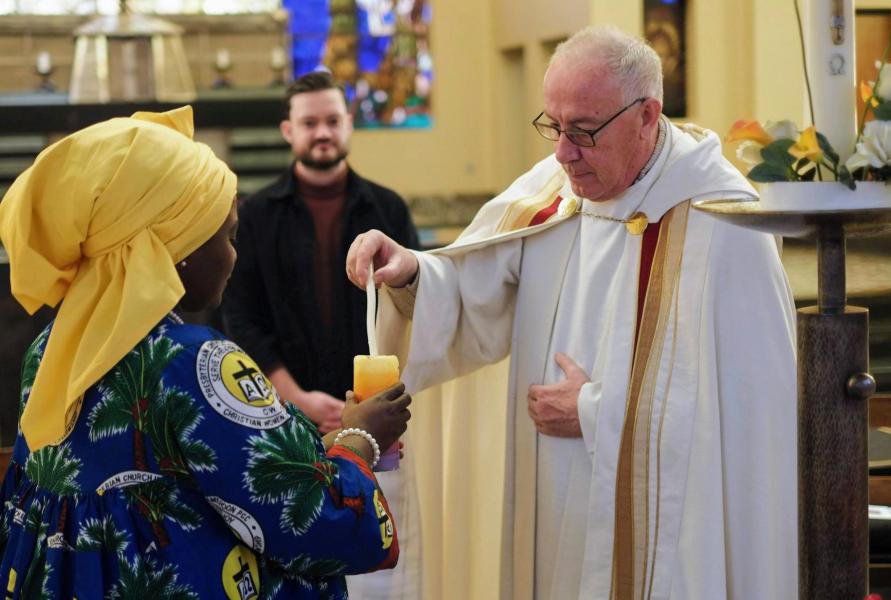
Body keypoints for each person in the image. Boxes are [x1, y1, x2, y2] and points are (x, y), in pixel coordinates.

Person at [347, 25, 798, 600]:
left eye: (583, 131)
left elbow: (749, 419)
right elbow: (474, 291)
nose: (562, 152)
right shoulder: (556, 188)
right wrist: (411, 270)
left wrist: (594, 411)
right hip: (550, 503)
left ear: (646, 115)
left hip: (665, 538)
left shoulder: (723, 221)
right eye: (553, 126)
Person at [0, 106, 411, 599]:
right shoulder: (200, 363)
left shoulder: (49, 349)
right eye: (228, 235)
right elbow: (312, 521)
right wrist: (361, 437)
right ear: (177, 248)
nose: (234, 256)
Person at [221, 70, 419, 436]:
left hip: (376, 409)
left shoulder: (388, 209)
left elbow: (413, 307)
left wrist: (372, 401)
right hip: (281, 413)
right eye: (309, 123)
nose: (323, 133)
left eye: (332, 121)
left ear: (348, 124)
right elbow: (240, 316)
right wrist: (296, 397)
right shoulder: (254, 216)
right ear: (288, 131)